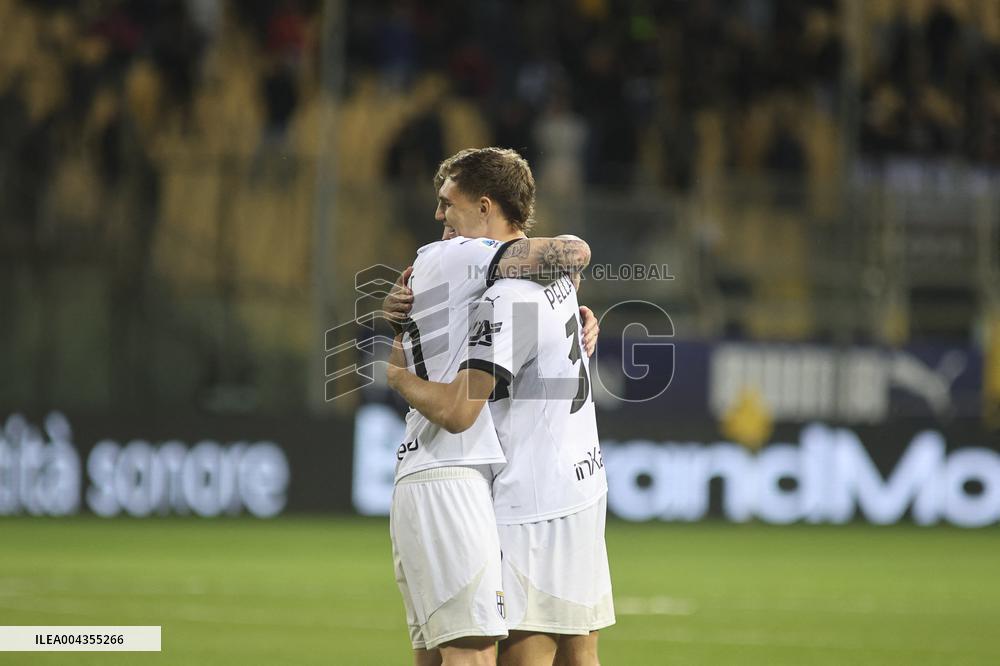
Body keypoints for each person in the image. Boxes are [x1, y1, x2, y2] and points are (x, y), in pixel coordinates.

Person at [386, 148, 612, 666]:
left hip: (529, 500)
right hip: (582, 485)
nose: (439, 216)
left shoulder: (506, 290)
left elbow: (462, 404)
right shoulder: (550, 279)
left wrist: (397, 371)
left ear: (484, 207)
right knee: (579, 656)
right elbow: (569, 259)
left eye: (449, 204)